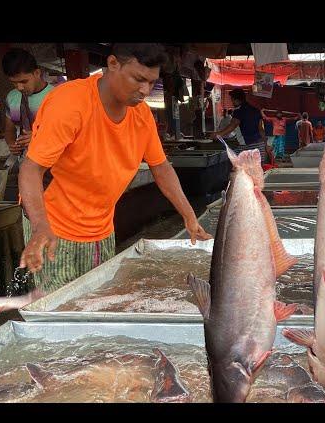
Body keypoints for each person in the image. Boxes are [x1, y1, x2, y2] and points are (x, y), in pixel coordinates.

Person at [18, 43, 212, 292]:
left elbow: (161, 167)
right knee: (64, 310)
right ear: (112, 64)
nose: (145, 90)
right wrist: (40, 227)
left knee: (100, 299)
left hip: (102, 228)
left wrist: (188, 216)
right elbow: (31, 169)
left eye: (152, 83)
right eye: (139, 79)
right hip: (56, 227)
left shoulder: (141, 115)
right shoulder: (70, 103)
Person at [1, 48, 56, 158]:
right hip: (26, 161)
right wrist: (12, 144)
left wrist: (39, 137)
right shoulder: (12, 97)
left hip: (54, 163)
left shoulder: (56, 95)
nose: (20, 87)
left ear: (37, 73)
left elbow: (68, 132)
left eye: (23, 81)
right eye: (14, 83)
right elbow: (10, 129)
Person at [208, 88, 268, 162]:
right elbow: (261, 129)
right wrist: (265, 145)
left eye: (232, 100)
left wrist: (218, 134)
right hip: (259, 146)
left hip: (247, 146)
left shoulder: (238, 111)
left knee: (237, 165)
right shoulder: (256, 110)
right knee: (257, 171)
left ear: (235, 99)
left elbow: (232, 125)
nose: (232, 102)